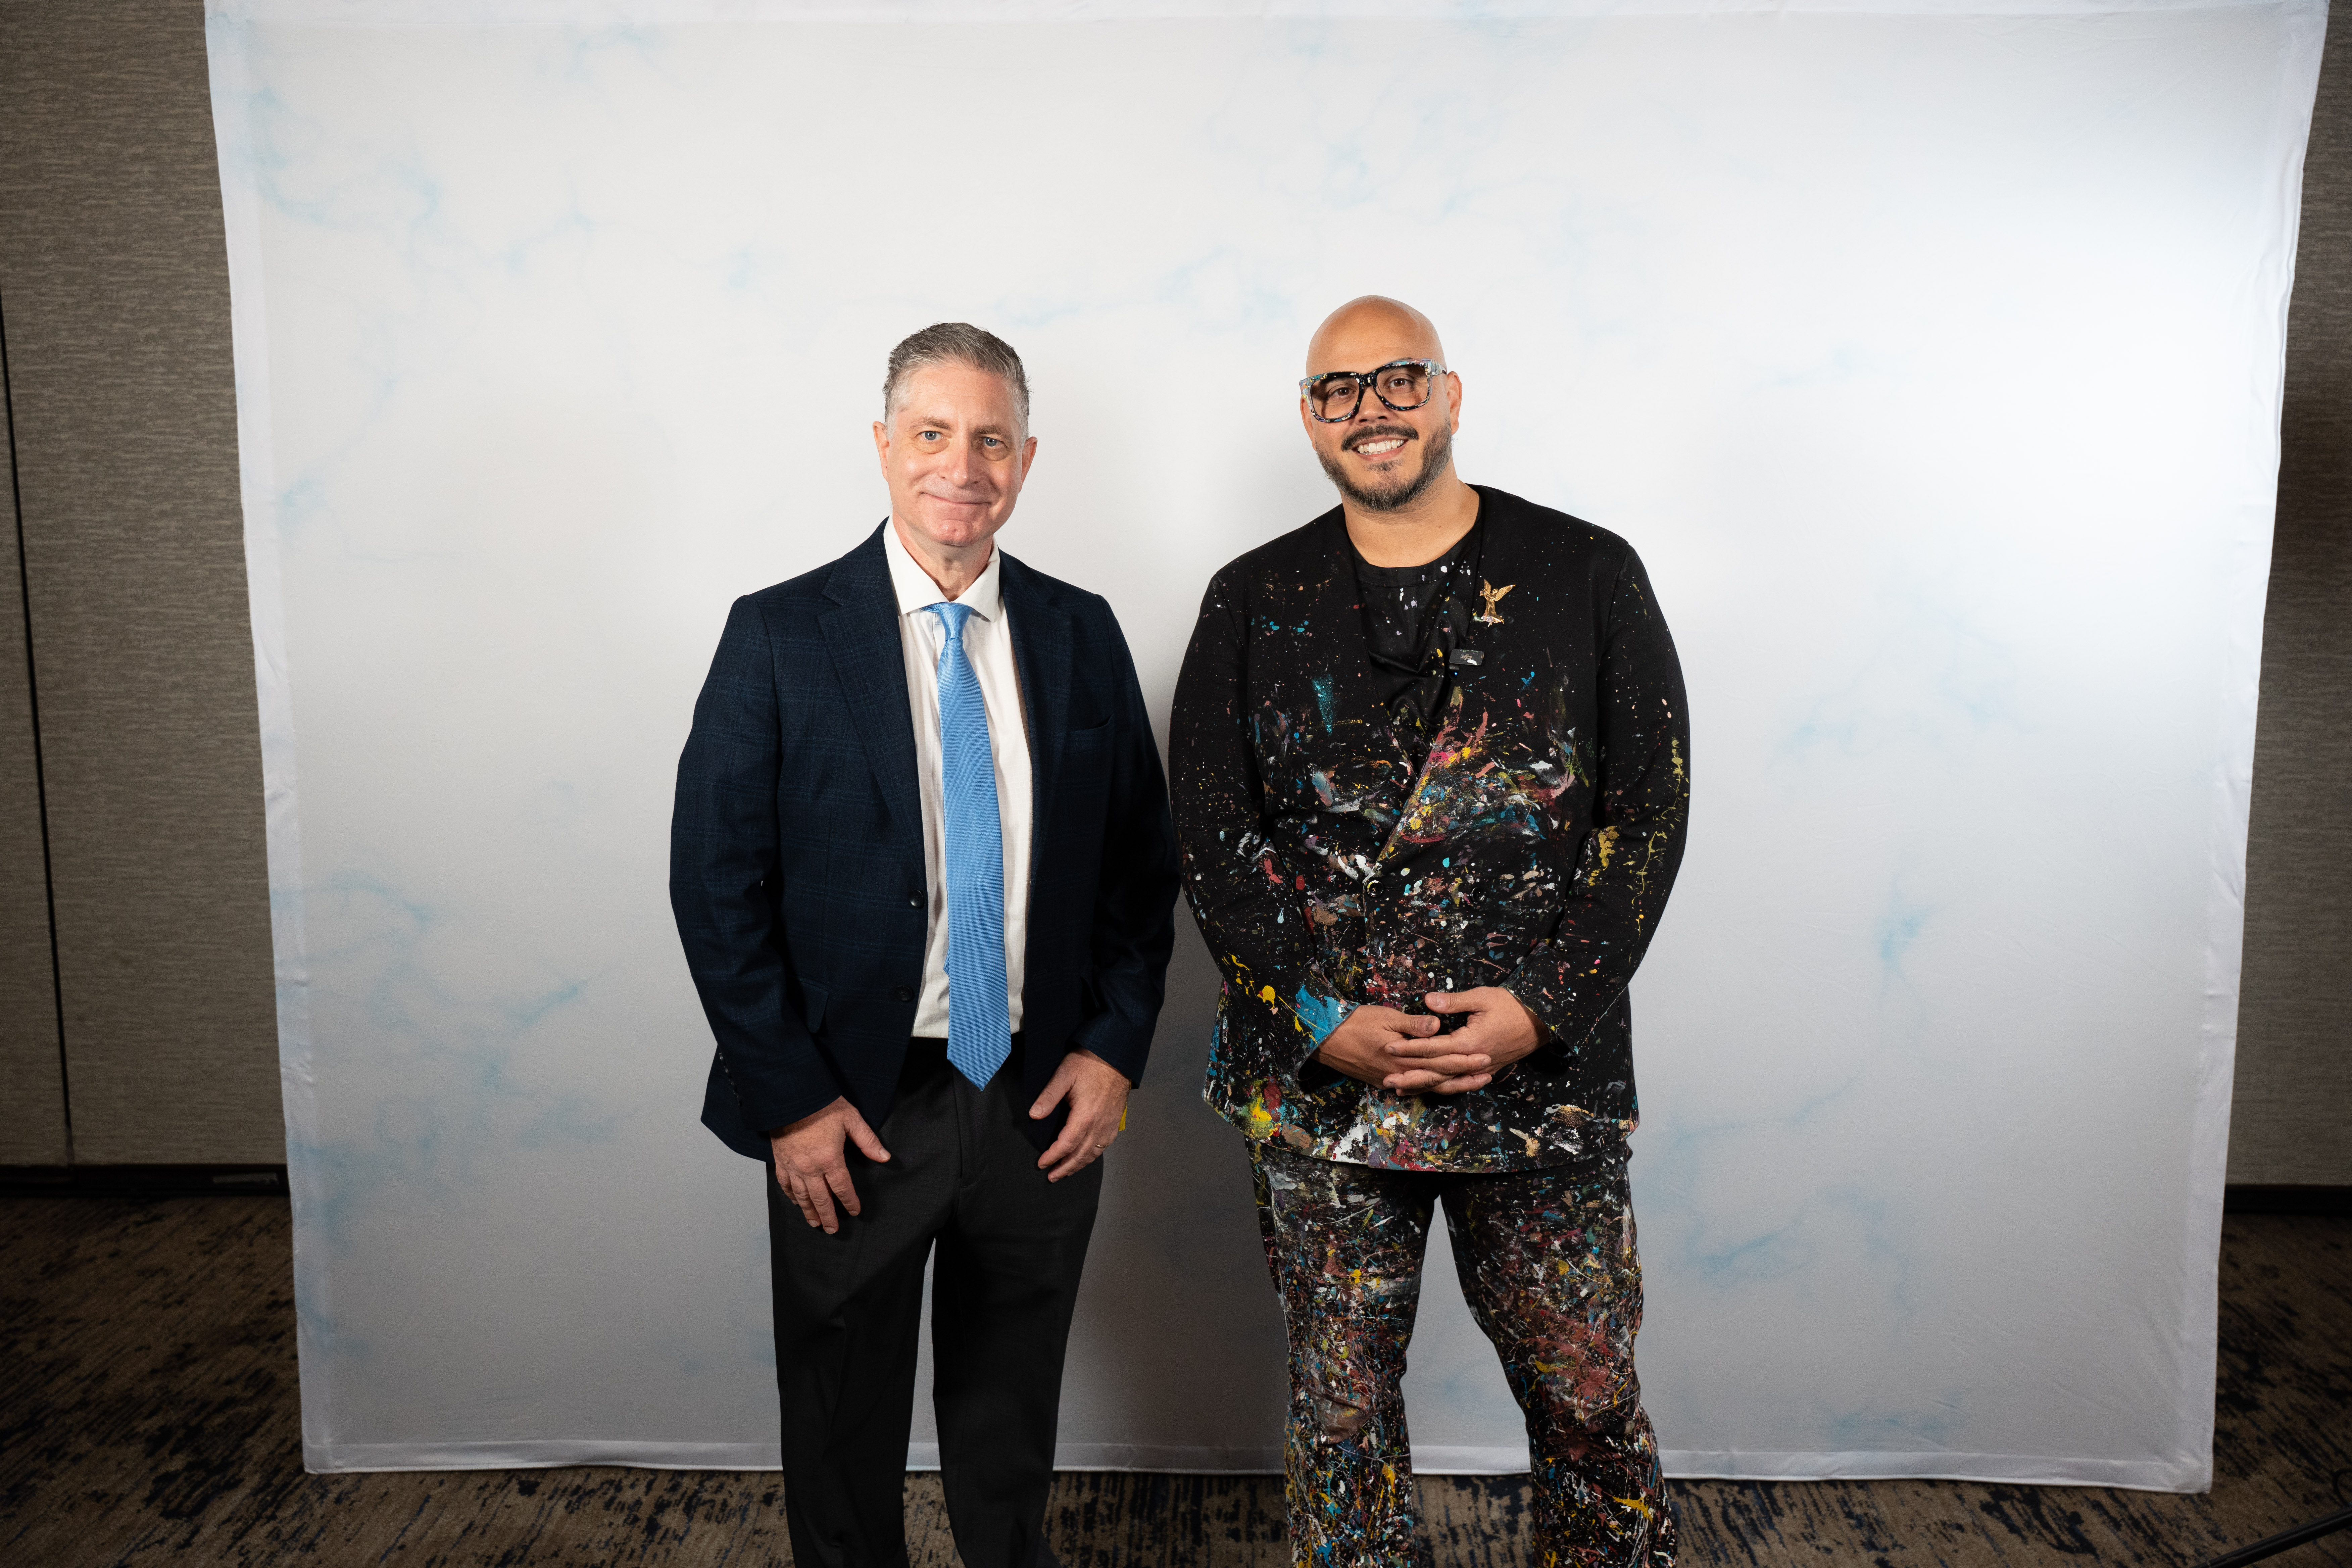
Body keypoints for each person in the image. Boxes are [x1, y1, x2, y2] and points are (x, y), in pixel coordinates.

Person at [1170, 296, 1690, 1568]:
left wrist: (1542, 1009)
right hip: (1327, 1089)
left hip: (1540, 1078)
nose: (1372, 410)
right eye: (1338, 390)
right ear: (1310, 420)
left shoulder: (1588, 573)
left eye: (1399, 378)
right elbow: (1212, 838)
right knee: (1341, 1419)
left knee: (1589, 1402)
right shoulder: (1252, 598)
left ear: (1450, 396)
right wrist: (1316, 1018)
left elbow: (1649, 815)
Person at [670, 322, 1179, 1568]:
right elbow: (716, 888)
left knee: (1009, 1416)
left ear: (1027, 459)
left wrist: (1113, 1050)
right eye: (934, 433)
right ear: (885, 445)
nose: (964, 465)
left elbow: (1138, 871)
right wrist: (792, 1102)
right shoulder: (779, 634)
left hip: (1039, 1097)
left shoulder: (1081, 632)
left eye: (992, 439)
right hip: (853, 1105)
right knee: (841, 1418)